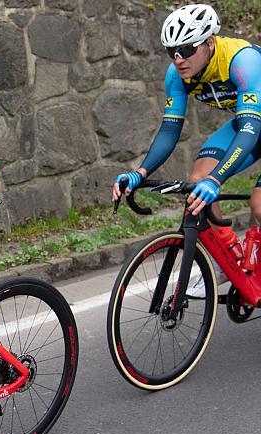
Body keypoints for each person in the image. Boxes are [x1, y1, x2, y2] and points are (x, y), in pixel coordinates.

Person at [111, 4, 261, 293]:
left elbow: (250, 130)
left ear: (209, 42)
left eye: (187, 49)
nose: (179, 59)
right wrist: (140, 172)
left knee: (258, 205)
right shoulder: (176, 76)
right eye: (172, 51)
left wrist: (217, 180)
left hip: (252, 126)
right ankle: (226, 261)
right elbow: (170, 130)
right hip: (250, 124)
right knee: (197, 181)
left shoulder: (243, 62)